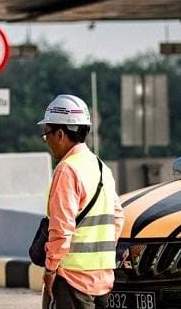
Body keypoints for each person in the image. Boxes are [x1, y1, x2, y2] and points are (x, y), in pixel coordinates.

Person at [38, 94, 124, 309]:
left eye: (46, 133)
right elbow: (118, 217)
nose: (46, 140)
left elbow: (61, 228)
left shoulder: (67, 169)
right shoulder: (101, 167)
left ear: (60, 134)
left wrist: (50, 269)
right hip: (103, 279)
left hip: (71, 279)